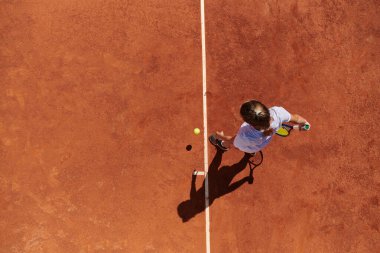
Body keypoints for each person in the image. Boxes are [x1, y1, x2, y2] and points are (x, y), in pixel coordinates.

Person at [209, 100, 309, 154]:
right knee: (250, 147)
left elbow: (232, 141)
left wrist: (220, 136)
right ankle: (252, 152)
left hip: (250, 146)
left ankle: (223, 145)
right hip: (262, 143)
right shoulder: (278, 113)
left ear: (249, 122)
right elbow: (295, 118)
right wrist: (305, 123)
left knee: (233, 145)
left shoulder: (245, 134)